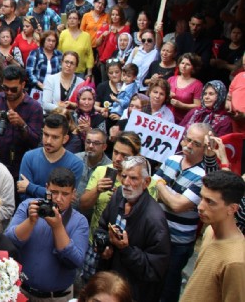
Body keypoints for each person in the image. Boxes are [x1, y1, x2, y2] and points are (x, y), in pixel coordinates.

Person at [7, 167, 90, 301]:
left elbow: (75, 261)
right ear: (46, 188)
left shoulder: (79, 221)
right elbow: (10, 240)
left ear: (74, 193)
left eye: (65, 194)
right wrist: (30, 221)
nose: (58, 198)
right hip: (22, 291)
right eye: (54, 192)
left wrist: (58, 227)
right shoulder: (28, 206)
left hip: (56, 297)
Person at [96, 156, 170, 302]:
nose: (126, 183)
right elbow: (102, 226)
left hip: (133, 292)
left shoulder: (155, 220)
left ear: (146, 182)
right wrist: (103, 245)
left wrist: (126, 250)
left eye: (134, 178)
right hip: (108, 281)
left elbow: (154, 270)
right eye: (124, 176)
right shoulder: (118, 196)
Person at [153, 122, 211, 302]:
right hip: (156, 234)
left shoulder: (204, 176)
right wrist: (166, 193)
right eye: (188, 139)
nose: (189, 145)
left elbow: (177, 205)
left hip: (178, 242)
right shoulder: (171, 159)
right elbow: (150, 189)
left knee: (168, 287)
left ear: (206, 148)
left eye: (196, 143)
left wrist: (160, 184)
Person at [179, 170, 245, 302]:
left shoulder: (236, 262)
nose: (200, 206)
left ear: (232, 209)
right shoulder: (210, 231)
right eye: (201, 197)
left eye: (210, 202)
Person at [0, 65, 44, 181]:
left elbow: (35, 142)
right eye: (5, 88)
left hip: (19, 169)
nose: (9, 92)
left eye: (13, 89)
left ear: (23, 85)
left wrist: (22, 125)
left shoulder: (34, 107)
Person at [17, 113, 84, 202]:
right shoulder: (29, 157)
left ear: (65, 139)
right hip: (30, 211)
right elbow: (23, 195)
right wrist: (52, 194)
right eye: (46, 135)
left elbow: (65, 199)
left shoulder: (75, 164)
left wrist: (30, 187)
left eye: (55, 137)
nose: (48, 141)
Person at [74, 129, 111, 209]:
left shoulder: (109, 168)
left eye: (96, 143)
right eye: (88, 142)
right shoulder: (75, 159)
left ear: (104, 147)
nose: (90, 146)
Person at [168, 53, 202, 124]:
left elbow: (198, 105)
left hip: (184, 120)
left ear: (193, 67)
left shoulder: (197, 85)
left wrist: (182, 105)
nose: (184, 66)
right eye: (182, 63)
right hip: (167, 116)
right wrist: (167, 96)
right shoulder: (171, 79)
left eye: (188, 64)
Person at [58, 11, 93, 78]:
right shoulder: (63, 33)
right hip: (64, 70)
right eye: (70, 18)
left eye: (74, 18)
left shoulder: (86, 36)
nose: (72, 20)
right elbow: (58, 51)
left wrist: (89, 73)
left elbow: (89, 55)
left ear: (79, 21)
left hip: (80, 72)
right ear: (67, 20)